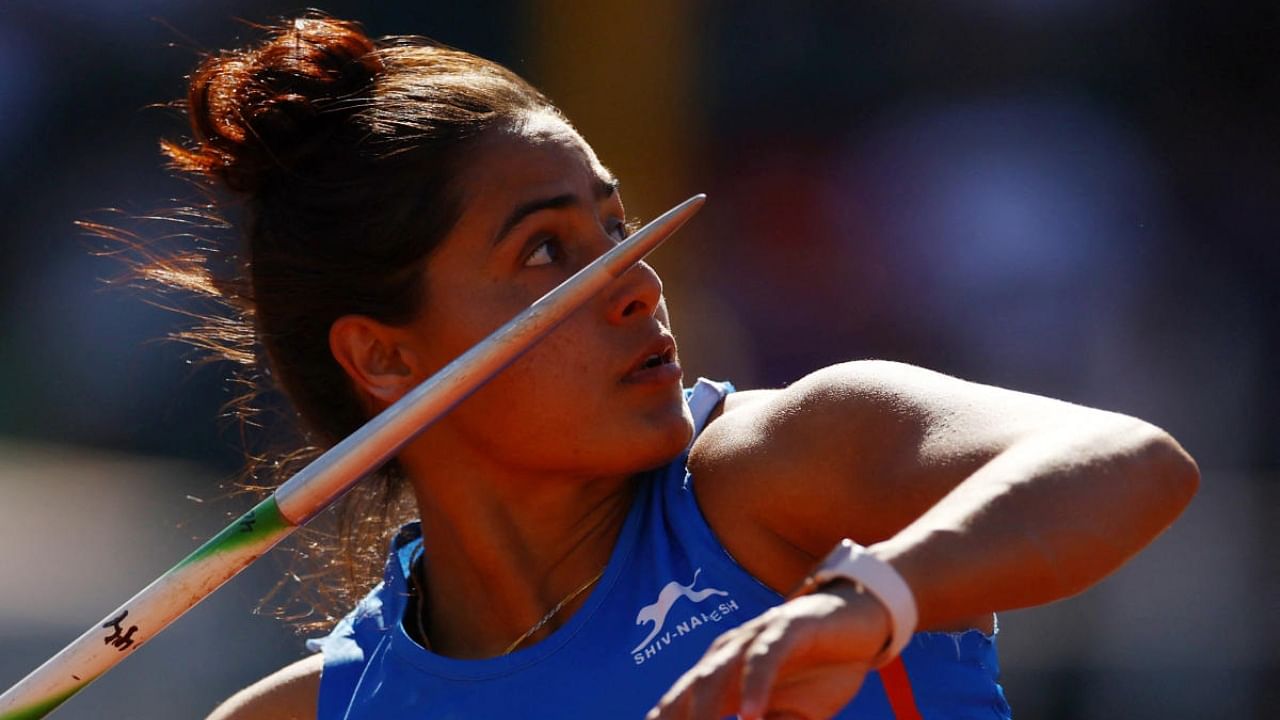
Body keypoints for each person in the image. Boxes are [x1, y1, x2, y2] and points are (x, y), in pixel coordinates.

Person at [146, 14, 1201, 720]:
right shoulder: (312, 711)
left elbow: (1129, 462)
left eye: (616, 231)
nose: (636, 284)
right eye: (546, 252)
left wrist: (871, 600)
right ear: (382, 356)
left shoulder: (774, 478)